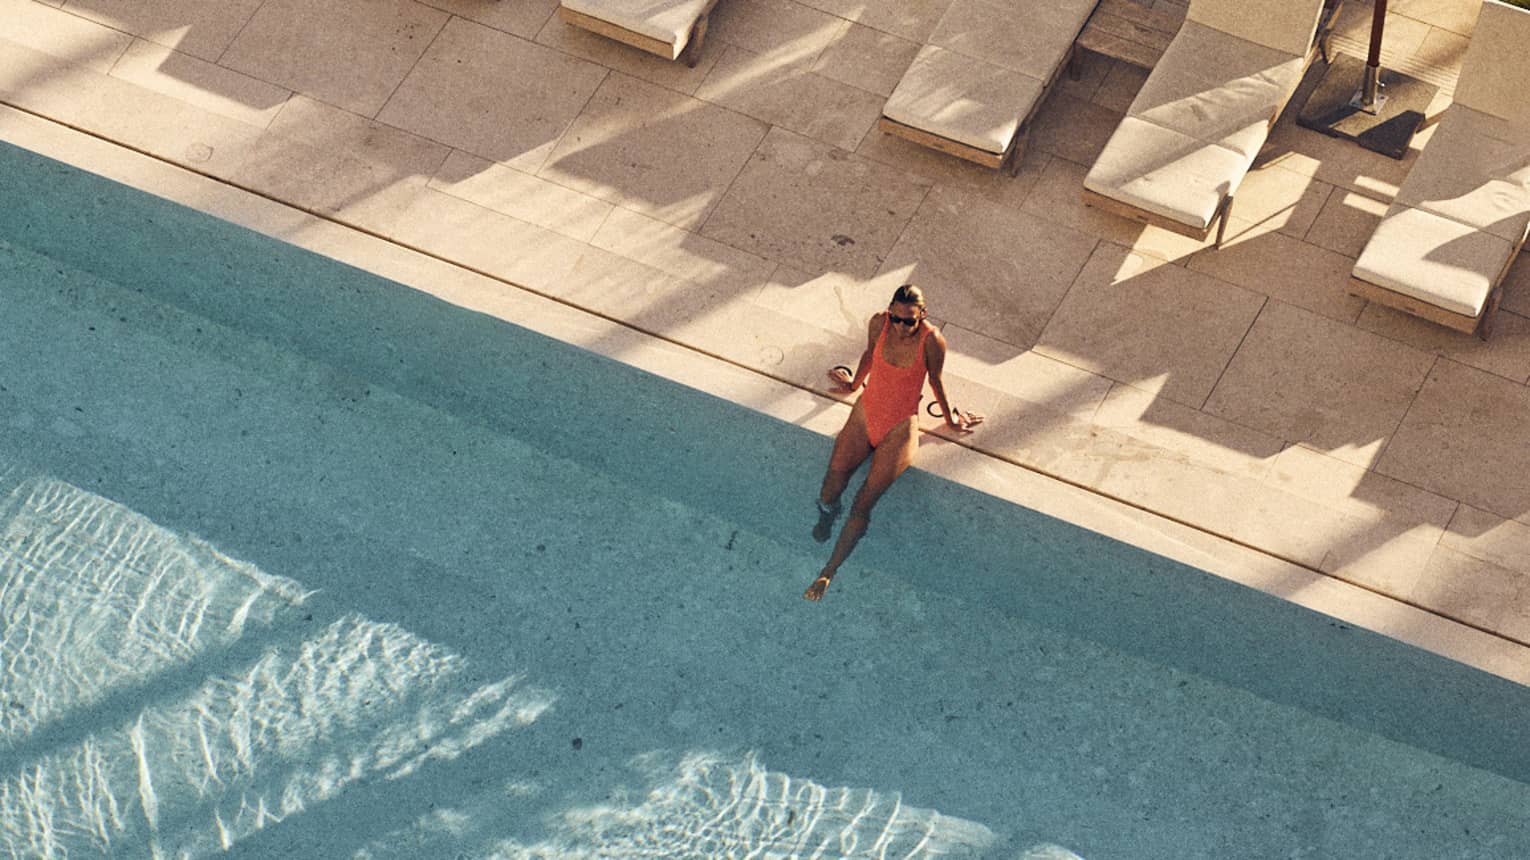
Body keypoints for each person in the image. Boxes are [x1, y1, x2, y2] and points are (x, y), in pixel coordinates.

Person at [805, 284, 982, 601]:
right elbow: (869, 354)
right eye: (897, 318)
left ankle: (828, 571)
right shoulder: (879, 323)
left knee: (863, 504)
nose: (902, 327)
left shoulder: (932, 341)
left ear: (922, 316)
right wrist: (854, 385)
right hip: (865, 415)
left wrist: (952, 420)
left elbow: (936, 381)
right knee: (830, 487)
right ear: (890, 312)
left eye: (909, 321)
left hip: (899, 428)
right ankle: (827, 516)